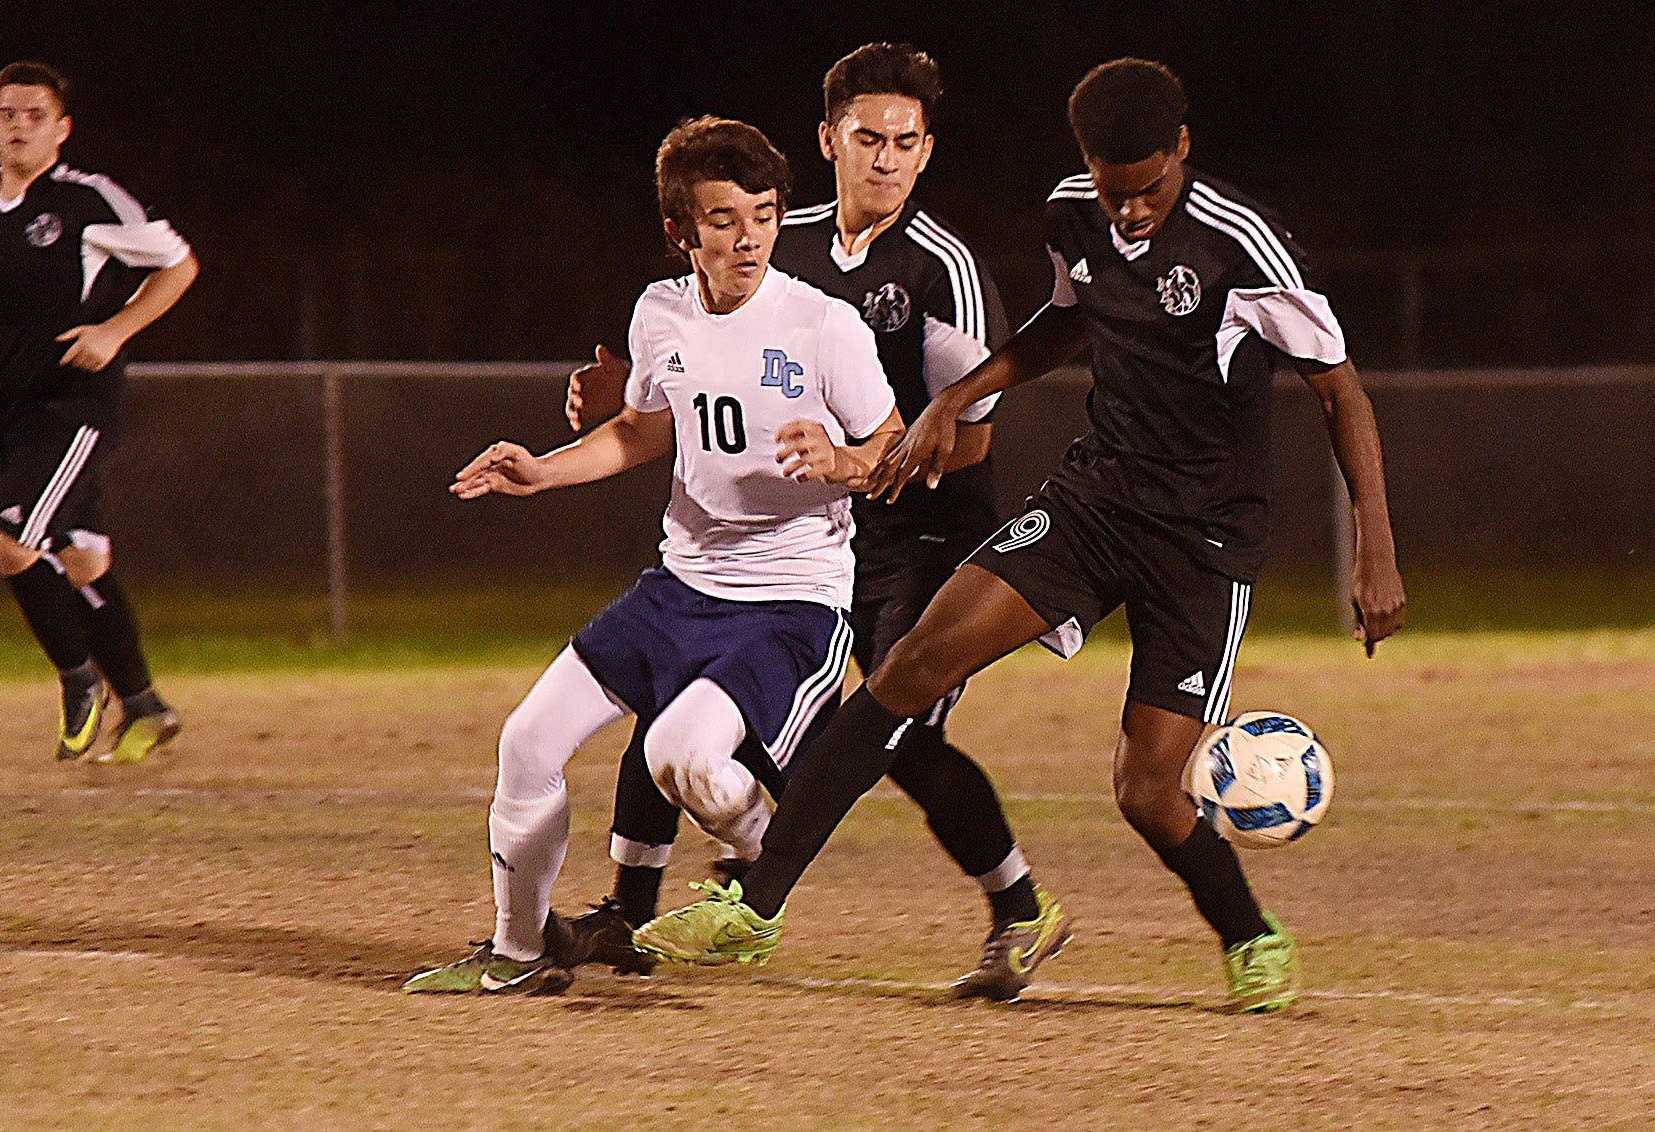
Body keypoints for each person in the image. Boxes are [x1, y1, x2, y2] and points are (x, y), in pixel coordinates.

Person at [636, 58, 1408, 1014]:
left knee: (1146, 790)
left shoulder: (1242, 244)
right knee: (906, 670)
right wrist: (959, 393)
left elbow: (1341, 389)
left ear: (1182, 151)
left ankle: (1250, 935)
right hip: (1094, 501)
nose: (1128, 214)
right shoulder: (1073, 210)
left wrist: (1375, 545)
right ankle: (755, 906)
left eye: (1149, 193)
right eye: (1113, 191)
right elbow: (1065, 323)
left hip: (1203, 542)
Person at [552, 43, 1066, 1001]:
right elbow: (698, 362)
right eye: (867, 138)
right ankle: (629, 909)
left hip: (923, 537)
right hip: (806, 537)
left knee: (890, 728)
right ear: (828, 139)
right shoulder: (776, 236)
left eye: (905, 143)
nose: (886, 159)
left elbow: (973, 446)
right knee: (681, 655)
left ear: (926, 150)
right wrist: (627, 394)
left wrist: (861, 461)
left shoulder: (943, 270)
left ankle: (1019, 907)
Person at [402, 116, 904, 994]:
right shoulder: (658, 311)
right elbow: (639, 431)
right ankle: (517, 955)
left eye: (763, 213)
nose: (747, 236)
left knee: (681, 752)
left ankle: (757, 883)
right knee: (525, 743)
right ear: (682, 232)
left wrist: (846, 462)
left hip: (793, 602)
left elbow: (894, 448)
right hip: (677, 588)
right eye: (722, 219)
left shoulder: (824, 326)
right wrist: (542, 472)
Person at [0, 62, 196, 764]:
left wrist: (115, 331)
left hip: (73, 404)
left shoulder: (88, 201)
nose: (18, 125)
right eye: (6, 113)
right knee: (82, 559)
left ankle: (80, 680)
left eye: (34, 114)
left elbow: (180, 265)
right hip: (8, 407)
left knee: (12, 539)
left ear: (61, 129)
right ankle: (144, 705)